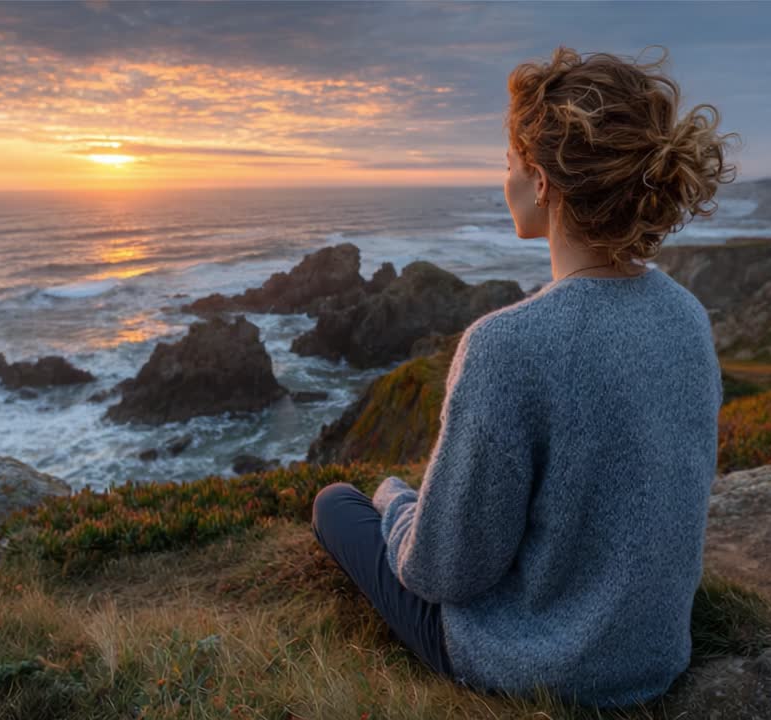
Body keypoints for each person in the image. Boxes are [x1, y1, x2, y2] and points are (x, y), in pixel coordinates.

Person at [310, 44, 737, 710]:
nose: (503, 179)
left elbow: (442, 572)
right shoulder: (686, 316)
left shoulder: (506, 346)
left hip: (541, 666)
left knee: (336, 503)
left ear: (540, 182)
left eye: (508, 163)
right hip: (653, 654)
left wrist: (395, 503)